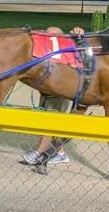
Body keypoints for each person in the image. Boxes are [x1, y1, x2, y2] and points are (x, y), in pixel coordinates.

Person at [21, 26, 85, 166]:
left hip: (60, 90)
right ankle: (60, 153)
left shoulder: (67, 51)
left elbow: (82, 43)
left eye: (52, 34)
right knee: (48, 121)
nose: (49, 37)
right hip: (47, 90)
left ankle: (39, 151)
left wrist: (79, 32)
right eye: (47, 33)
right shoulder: (46, 52)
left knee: (51, 121)